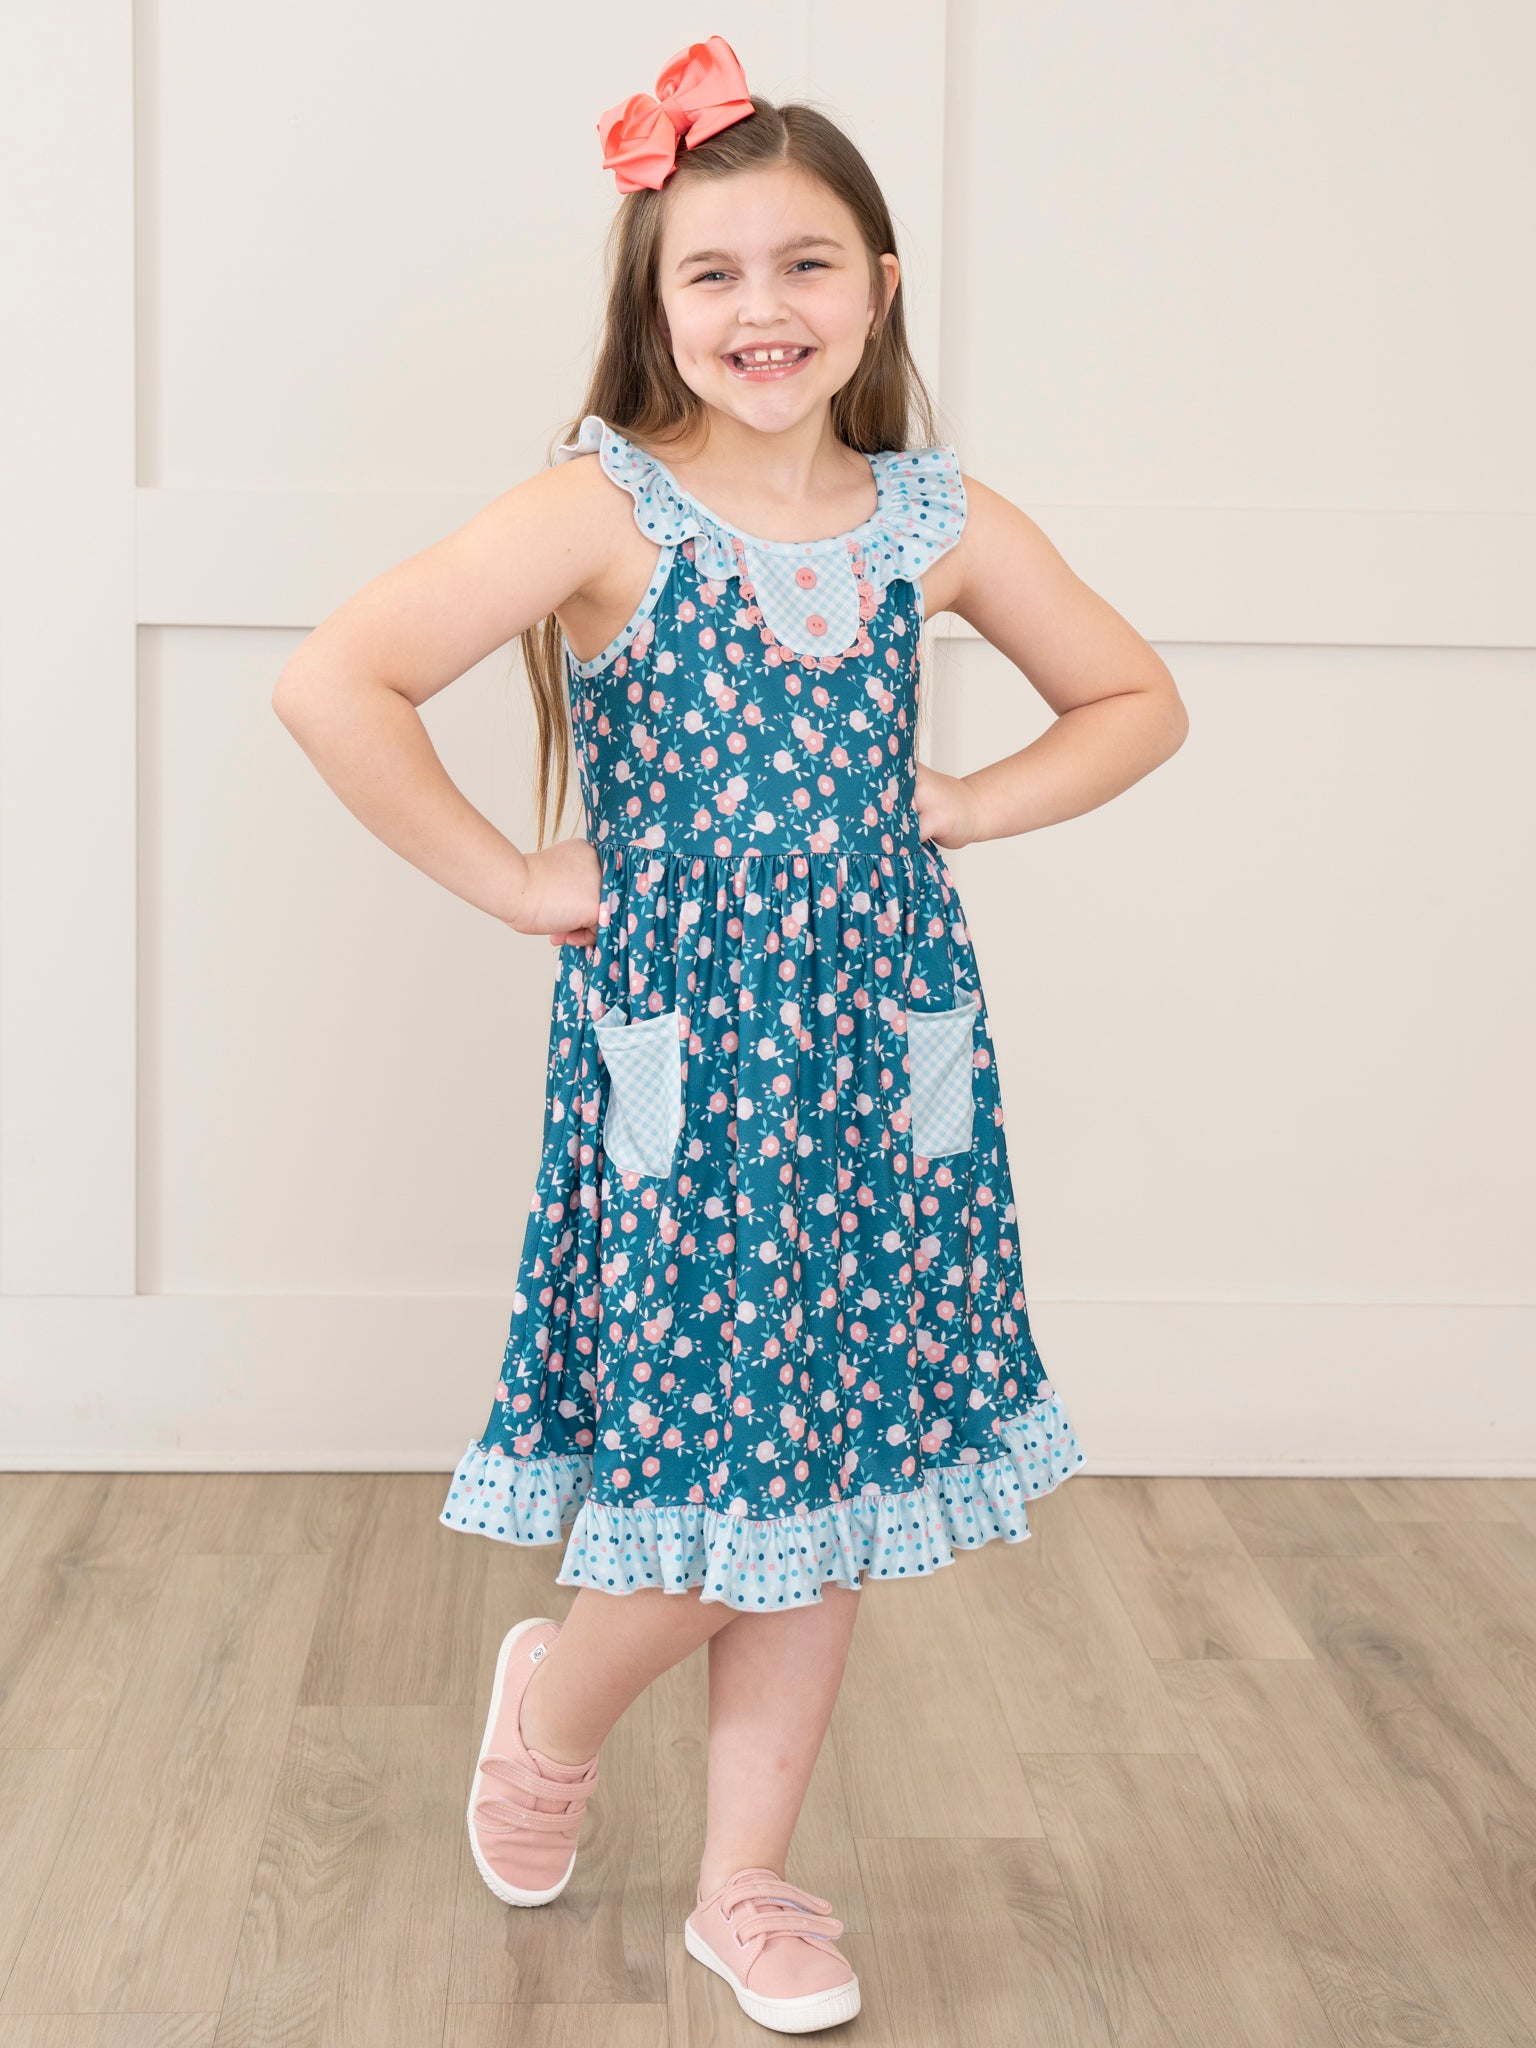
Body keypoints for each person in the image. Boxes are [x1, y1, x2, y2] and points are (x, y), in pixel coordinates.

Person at [272, 34, 1187, 2035]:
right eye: (715, 271)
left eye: (806, 264)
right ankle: (553, 1708)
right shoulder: (604, 510)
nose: (763, 308)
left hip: (877, 1073)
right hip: (690, 1088)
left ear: (877, 289)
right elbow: (339, 678)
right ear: (655, 298)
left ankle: (747, 1883)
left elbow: (1137, 699)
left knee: (828, 1477)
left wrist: (963, 805)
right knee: (716, 1494)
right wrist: (514, 878)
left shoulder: (933, 517)